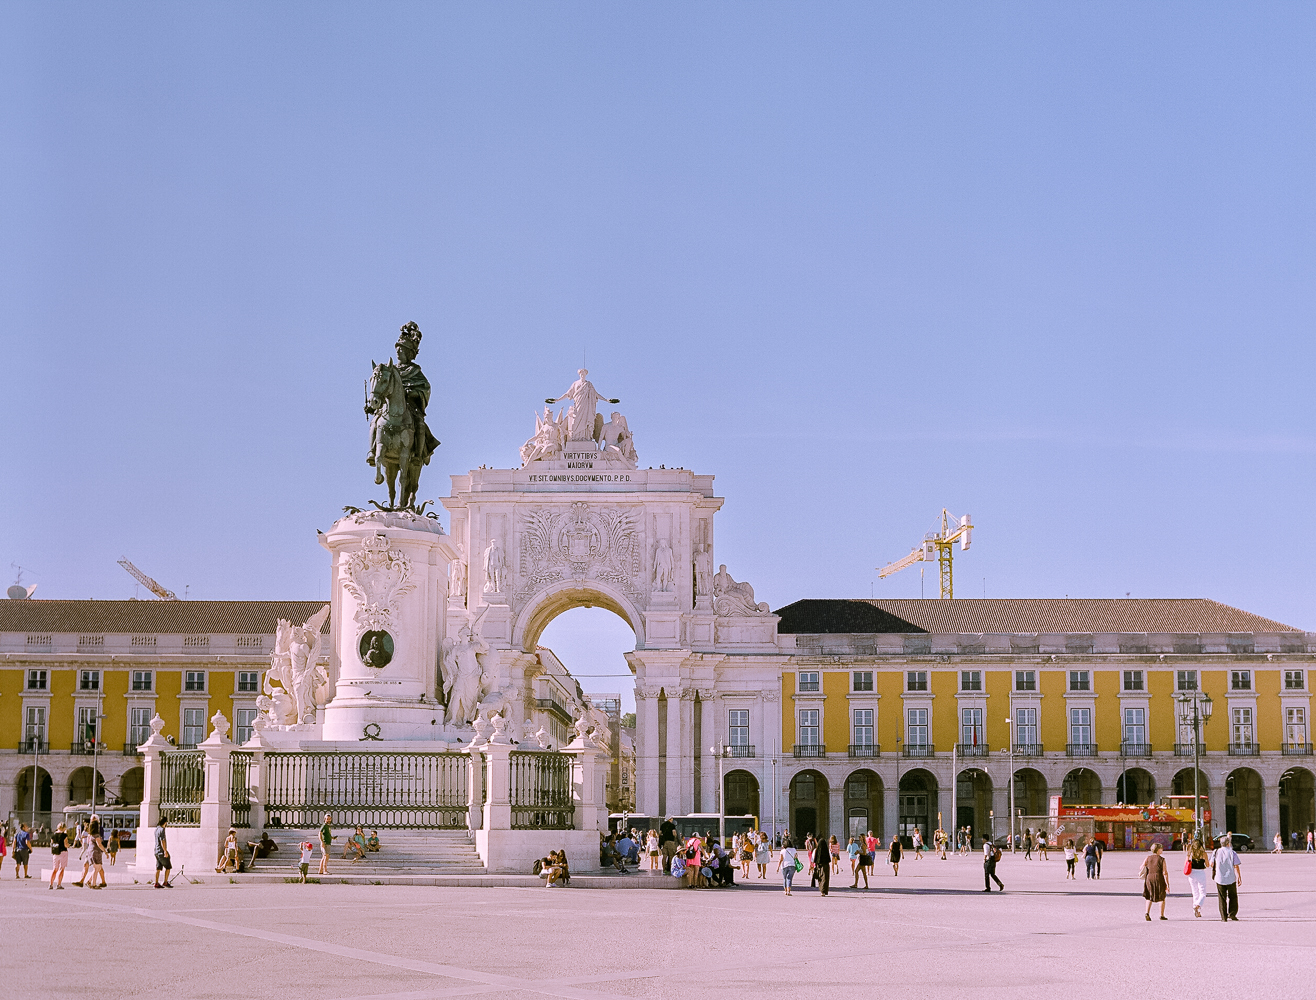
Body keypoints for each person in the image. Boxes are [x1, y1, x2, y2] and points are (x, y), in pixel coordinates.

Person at [1212, 835, 1243, 921]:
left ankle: (1223, 917)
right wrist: (1239, 877)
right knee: (1233, 896)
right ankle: (1232, 913)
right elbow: (1236, 866)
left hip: (1219, 878)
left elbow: (1211, 863)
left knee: (1222, 898)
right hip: (1231, 878)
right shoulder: (1232, 852)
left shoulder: (1216, 852)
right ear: (1228, 843)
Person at [1140, 843, 1169, 920]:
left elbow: (1141, 867)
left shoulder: (1148, 858)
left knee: (1149, 896)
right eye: (1161, 848)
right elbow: (1165, 872)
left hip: (1149, 878)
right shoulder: (1162, 859)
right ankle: (1161, 915)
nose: (1162, 850)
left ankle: (1147, 913)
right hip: (1158, 878)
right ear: (1158, 850)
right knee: (1161, 896)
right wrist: (1167, 884)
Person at [1186, 838, 1210, 918]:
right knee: (1202, 892)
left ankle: (1197, 911)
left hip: (1192, 873)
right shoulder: (1203, 854)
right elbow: (1207, 864)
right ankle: (1197, 905)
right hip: (1200, 873)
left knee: (1195, 892)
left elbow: (1186, 863)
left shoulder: (1190, 854)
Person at [48, 822, 69, 889]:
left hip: (55, 853)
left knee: (55, 869)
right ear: (63, 828)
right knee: (62, 869)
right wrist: (69, 845)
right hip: (63, 852)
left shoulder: (53, 835)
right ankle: (59, 884)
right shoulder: (64, 835)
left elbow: (51, 844)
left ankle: (51, 884)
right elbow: (66, 844)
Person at [153, 818, 172, 888]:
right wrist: (165, 851)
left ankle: (156, 882)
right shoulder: (162, 829)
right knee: (168, 867)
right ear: (165, 822)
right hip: (161, 851)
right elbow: (162, 841)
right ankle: (165, 882)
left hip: (156, 851)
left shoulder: (157, 829)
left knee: (158, 868)